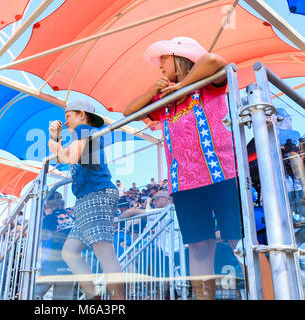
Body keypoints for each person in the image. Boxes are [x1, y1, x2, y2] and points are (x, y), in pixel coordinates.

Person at [123, 37, 242, 300]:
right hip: (184, 182)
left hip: (221, 173)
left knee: (236, 240)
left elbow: (214, 60)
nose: (160, 66)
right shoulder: (165, 101)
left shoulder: (207, 83)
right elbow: (128, 112)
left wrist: (183, 87)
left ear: (180, 57)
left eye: (164, 59)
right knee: (198, 246)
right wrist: (153, 91)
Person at [48, 99, 124, 300]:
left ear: (81, 115)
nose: (65, 122)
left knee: (104, 251)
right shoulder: (79, 136)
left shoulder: (83, 130)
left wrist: (52, 143)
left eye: (68, 116)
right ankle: (94, 297)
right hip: (85, 198)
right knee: (70, 251)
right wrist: (55, 139)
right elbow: (62, 158)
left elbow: (69, 157)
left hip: (96, 194)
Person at [36, 191, 75, 300]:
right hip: (70, 267)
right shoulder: (74, 219)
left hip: (51, 265)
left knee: (32, 294)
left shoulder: (48, 219)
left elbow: (43, 239)